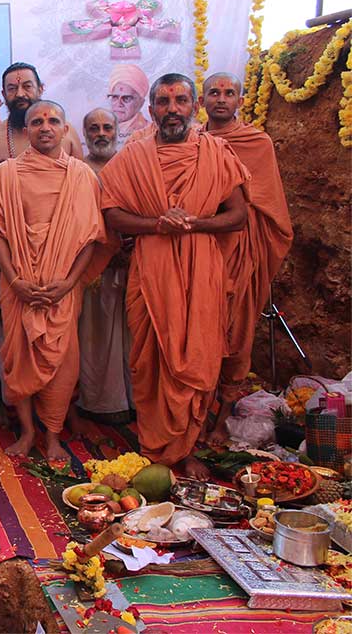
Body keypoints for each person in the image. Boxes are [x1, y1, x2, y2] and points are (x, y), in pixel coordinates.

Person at [99, 73, 249, 479]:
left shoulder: (216, 153)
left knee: (198, 356)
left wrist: (194, 223)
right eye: (163, 102)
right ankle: (156, 446)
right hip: (152, 267)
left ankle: (188, 447)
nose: (172, 110)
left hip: (202, 267)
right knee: (151, 359)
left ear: (194, 106)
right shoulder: (134, 156)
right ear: (151, 110)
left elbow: (237, 216)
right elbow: (111, 213)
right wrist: (157, 225)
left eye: (180, 100)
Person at [0, 101, 107, 459]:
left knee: (64, 360)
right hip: (18, 284)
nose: (45, 127)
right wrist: (14, 279)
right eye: (37, 122)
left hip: (62, 286)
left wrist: (69, 283)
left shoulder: (82, 176)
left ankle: (52, 436)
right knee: (18, 357)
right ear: (27, 131)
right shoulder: (5, 173)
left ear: (65, 129)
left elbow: (91, 238)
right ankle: (27, 432)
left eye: (53, 120)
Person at [202, 71, 293, 441]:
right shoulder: (193, 142)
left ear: (240, 100)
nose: (221, 98)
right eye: (214, 92)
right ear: (202, 100)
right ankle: (195, 415)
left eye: (229, 93)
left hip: (244, 250)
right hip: (204, 250)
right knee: (201, 332)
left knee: (236, 334)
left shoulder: (257, 142)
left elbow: (269, 204)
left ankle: (222, 416)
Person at [75, 108, 134, 422]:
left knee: (132, 335)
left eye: (107, 127)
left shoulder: (132, 165)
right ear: (84, 133)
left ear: (116, 130)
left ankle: (135, 400)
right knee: (94, 336)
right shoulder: (78, 170)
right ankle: (100, 402)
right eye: (93, 127)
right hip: (92, 265)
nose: (101, 133)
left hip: (132, 263)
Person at [0, 62, 84, 170]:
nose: (20, 94)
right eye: (12, 89)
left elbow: (80, 178)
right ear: (4, 94)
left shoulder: (66, 132)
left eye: (27, 86)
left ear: (40, 89)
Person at [106, 64, 151, 145]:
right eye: (115, 97)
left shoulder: (151, 132)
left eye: (126, 98)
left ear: (141, 102)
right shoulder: (101, 130)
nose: (119, 104)